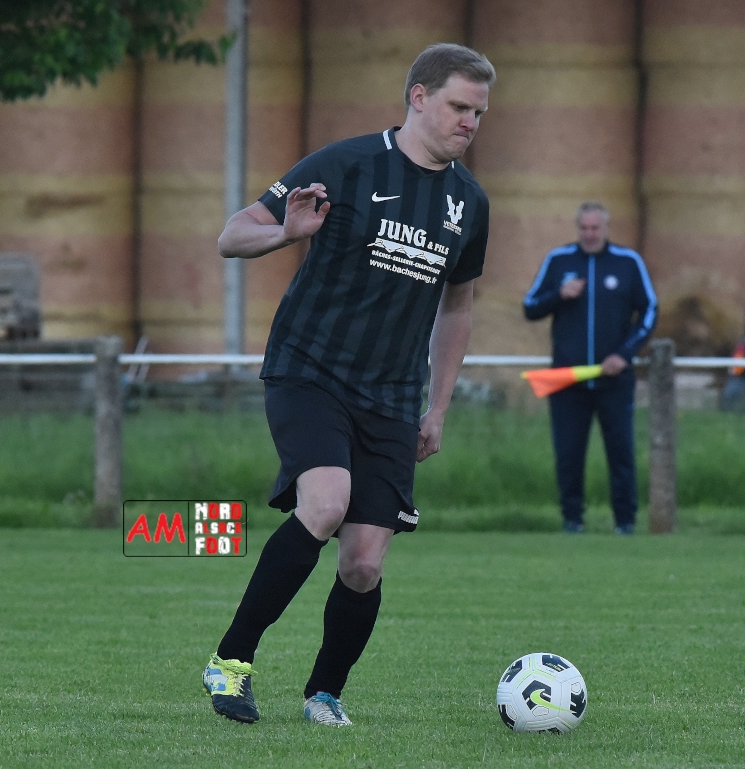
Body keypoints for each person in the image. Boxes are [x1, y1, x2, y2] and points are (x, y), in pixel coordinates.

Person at [203, 43, 495, 727]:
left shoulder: (469, 203)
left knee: (364, 562)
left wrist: (438, 406)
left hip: (392, 395)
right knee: (327, 501)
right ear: (418, 97)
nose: (470, 122)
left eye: (479, 113)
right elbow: (232, 235)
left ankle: (324, 694)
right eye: (459, 106)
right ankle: (231, 661)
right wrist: (286, 233)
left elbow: (458, 307)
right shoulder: (347, 165)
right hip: (310, 370)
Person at [522, 201, 658, 535]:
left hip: (615, 381)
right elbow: (530, 307)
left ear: (606, 228)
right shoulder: (559, 260)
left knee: (621, 453)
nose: (590, 234)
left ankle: (625, 523)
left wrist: (624, 354)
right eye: (584, 228)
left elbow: (650, 310)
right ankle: (572, 521)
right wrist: (559, 295)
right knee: (568, 455)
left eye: (595, 228)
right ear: (577, 228)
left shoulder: (628, 262)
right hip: (568, 381)